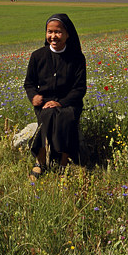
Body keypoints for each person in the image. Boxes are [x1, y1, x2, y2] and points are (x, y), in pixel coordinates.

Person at [23, 13, 86, 180]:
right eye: (49, 31)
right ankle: (40, 160)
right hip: (44, 102)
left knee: (65, 117)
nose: (53, 36)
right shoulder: (37, 56)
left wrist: (61, 103)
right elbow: (29, 83)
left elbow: (80, 88)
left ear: (67, 34)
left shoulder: (77, 58)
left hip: (70, 102)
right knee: (47, 115)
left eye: (58, 32)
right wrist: (34, 97)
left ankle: (64, 162)